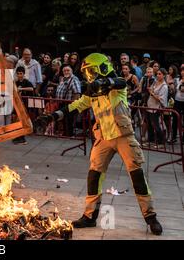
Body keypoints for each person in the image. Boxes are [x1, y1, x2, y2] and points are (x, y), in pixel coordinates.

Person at [38, 53, 163, 235]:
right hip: (103, 138)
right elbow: (75, 105)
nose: (89, 76)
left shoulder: (117, 85)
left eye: (91, 71)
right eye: (87, 73)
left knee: (137, 177)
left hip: (123, 137)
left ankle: (151, 217)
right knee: (94, 176)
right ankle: (90, 216)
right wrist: (52, 116)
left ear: (102, 68)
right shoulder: (93, 93)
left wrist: (102, 83)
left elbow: (119, 82)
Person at [55, 64, 81, 136]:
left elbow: (77, 93)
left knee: (69, 121)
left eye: (68, 70)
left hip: (69, 104)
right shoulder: (63, 79)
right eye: (64, 71)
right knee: (63, 120)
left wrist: (72, 104)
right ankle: (65, 134)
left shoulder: (74, 79)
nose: (66, 72)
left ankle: (69, 135)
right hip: (62, 103)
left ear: (71, 71)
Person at [146, 68, 168, 147]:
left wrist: (151, 93)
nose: (158, 75)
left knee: (157, 125)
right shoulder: (155, 82)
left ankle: (161, 142)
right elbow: (151, 89)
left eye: (160, 74)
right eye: (157, 74)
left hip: (157, 108)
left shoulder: (164, 86)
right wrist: (150, 90)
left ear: (164, 75)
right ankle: (152, 140)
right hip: (150, 106)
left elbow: (161, 99)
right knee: (151, 124)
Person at [13, 66, 34, 145]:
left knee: (21, 120)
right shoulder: (16, 82)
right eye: (18, 74)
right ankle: (18, 136)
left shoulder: (26, 81)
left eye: (21, 73)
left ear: (24, 74)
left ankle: (22, 138)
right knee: (17, 120)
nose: (19, 75)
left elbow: (31, 88)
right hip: (17, 104)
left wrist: (21, 89)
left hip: (24, 104)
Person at [170, 65, 184, 144]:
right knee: (175, 119)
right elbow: (174, 89)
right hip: (177, 101)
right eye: (181, 70)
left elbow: (182, 89)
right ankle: (174, 137)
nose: (182, 72)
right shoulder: (177, 79)